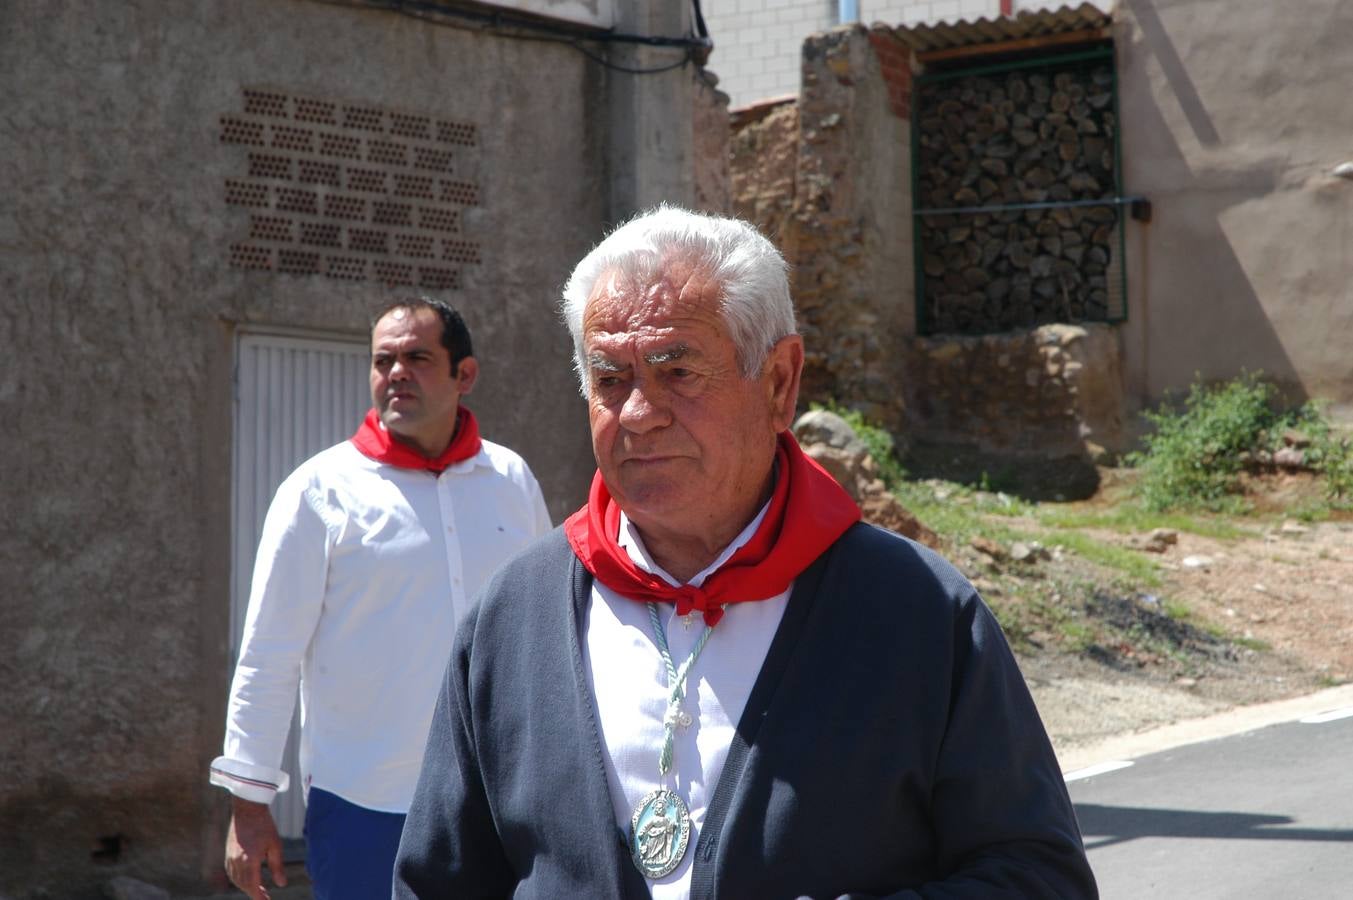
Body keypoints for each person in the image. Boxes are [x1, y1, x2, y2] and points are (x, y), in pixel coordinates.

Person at [394, 208, 1097, 898]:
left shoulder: (916, 612)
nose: (637, 412)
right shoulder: (513, 617)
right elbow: (436, 884)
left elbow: (1039, 878)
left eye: (677, 372)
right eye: (610, 378)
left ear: (778, 383)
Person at [210, 298, 552, 900]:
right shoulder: (318, 493)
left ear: (463, 375)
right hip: (364, 805)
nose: (396, 373)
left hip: (495, 797)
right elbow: (269, 654)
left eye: (418, 358)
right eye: (383, 361)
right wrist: (249, 804)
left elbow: (543, 632)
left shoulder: (511, 482)